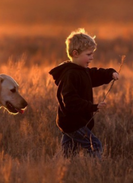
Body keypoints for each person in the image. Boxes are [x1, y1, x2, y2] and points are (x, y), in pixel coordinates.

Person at [49, 28, 119, 158]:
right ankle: (95, 172)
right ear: (75, 53)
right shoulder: (70, 75)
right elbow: (70, 101)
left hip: (73, 121)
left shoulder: (82, 70)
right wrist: (93, 107)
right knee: (95, 145)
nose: (91, 58)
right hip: (73, 122)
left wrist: (110, 74)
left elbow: (95, 75)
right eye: (88, 54)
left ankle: (62, 170)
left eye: (92, 54)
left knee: (69, 152)